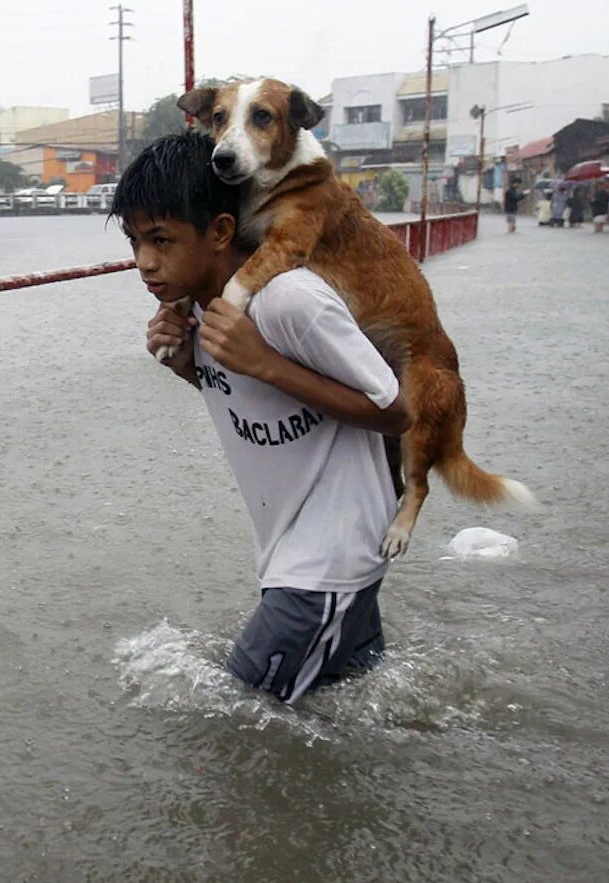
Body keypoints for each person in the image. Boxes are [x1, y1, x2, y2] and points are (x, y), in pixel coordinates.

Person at [111, 132, 413, 703]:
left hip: (326, 561)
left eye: (161, 239)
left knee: (238, 719)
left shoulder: (289, 300)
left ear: (221, 230)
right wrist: (184, 364)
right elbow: (250, 397)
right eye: (134, 241)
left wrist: (266, 362)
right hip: (304, 552)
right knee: (353, 712)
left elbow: (395, 410)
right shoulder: (198, 308)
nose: (145, 262)